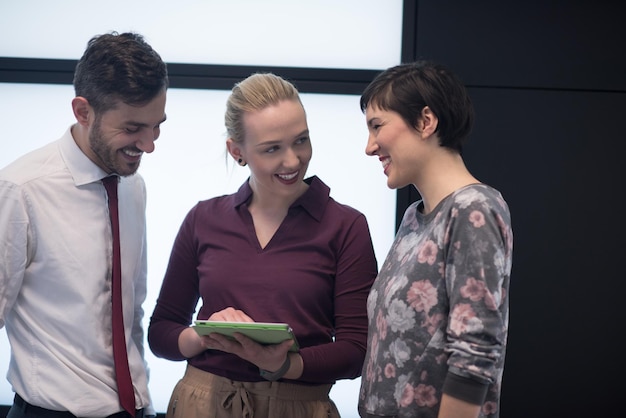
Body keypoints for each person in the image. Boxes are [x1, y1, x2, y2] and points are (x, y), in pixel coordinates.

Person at [148, 72, 378, 418]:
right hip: (201, 403)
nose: (293, 160)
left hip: (298, 407)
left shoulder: (346, 227)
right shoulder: (203, 218)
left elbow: (356, 350)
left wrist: (284, 364)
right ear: (237, 151)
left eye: (301, 141)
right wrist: (203, 337)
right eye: (272, 148)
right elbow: (161, 332)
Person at [0, 31, 168, 418]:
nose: (149, 145)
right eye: (132, 128)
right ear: (82, 111)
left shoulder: (133, 186)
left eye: (156, 125)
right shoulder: (21, 191)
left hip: (135, 410)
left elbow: (131, 311)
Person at [356, 60, 513, 418]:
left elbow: (475, 353)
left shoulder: (474, 208)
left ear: (426, 122)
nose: (370, 146)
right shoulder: (414, 217)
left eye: (377, 126)